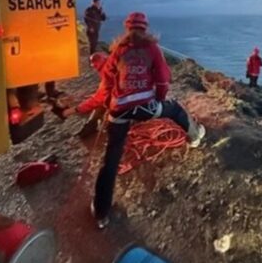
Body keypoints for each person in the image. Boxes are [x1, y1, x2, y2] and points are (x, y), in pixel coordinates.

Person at [88, 12, 205, 229]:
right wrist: (159, 101)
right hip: (145, 107)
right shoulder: (153, 49)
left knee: (111, 159)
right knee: (176, 109)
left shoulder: (117, 51)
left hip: (119, 111)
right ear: (145, 28)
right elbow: (163, 80)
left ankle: (101, 213)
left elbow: (107, 81)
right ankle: (196, 136)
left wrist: (101, 105)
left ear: (127, 28)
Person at [60, 52, 110, 138]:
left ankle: (91, 128)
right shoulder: (113, 65)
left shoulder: (108, 75)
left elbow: (98, 99)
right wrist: (82, 97)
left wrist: (74, 110)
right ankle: (93, 126)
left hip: (129, 102)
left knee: (100, 106)